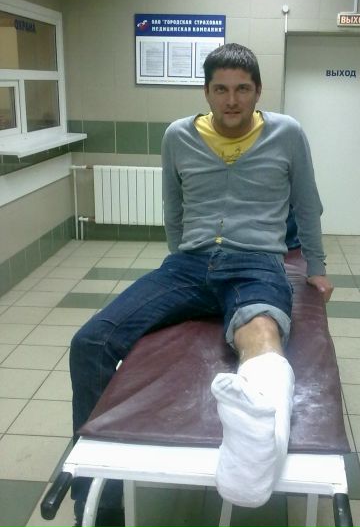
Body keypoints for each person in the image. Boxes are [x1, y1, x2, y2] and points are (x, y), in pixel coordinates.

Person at [69, 43, 333, 525]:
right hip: (189, 266)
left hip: (257, 263)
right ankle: (97, 497)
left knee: (261, 334)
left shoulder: (287, 133)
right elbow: (172, 207)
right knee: (90, 343)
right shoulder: (178, 136)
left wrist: (315, 267)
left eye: (242, 89)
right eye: (221, 90)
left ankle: (256, 434)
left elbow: (307, 205)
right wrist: (180, 257)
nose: (232, 100)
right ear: (206, 92)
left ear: (258, 91)